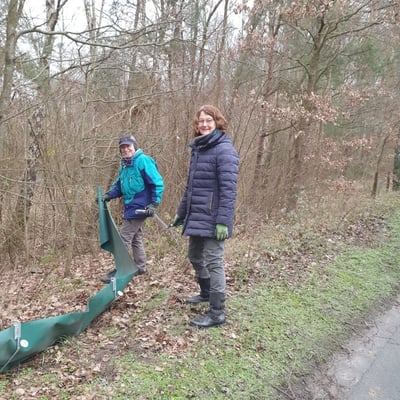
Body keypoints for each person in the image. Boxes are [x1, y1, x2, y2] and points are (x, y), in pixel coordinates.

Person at [172, 105, 239, 328]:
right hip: (197, 215)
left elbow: (229, 190)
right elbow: (191, 187)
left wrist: (223, 221)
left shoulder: (224, 150)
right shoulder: (199, 148)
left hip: (214, 218)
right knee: (194, 256)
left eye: (208, 120)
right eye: (201, 121)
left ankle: (217, 313)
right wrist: (181, 212)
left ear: (217, 123)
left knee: (214, 262)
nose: (204, 124)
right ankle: (206, 292)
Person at [100, 134, 164, 283]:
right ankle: (140, 267)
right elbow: (119, 185)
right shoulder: (125, 165)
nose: (125, 149)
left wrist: (154, 204)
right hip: (130, 206)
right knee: (136, 237)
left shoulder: (143, 161)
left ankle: (121, 270)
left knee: (123, 238)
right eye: (122, 147)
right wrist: (109, 195)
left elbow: (157, 183)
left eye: (128, 146)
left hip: (140, 208)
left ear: (134, 146)